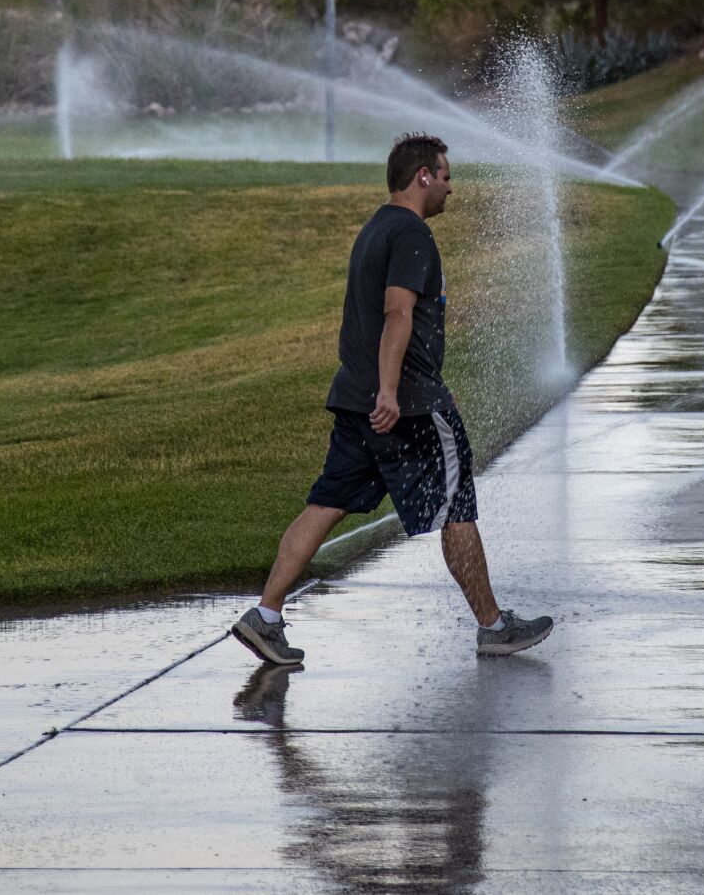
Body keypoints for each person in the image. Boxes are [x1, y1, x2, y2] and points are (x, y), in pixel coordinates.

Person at [230, 133, 554, 665]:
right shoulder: (411, 234)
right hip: (408, 406)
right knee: (457, 508)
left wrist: (376, 391)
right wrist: (390, 391)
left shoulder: (376, 228)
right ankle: (494, 627)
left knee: (326, 505)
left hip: (357, 401)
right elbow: (397, 313)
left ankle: (265, 616)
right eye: (446, 176)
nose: (452, 188)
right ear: (422, 176)